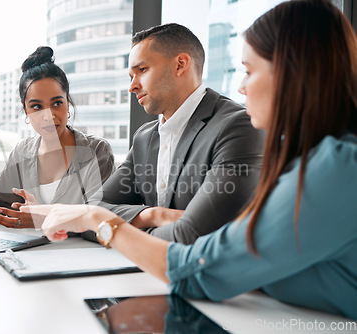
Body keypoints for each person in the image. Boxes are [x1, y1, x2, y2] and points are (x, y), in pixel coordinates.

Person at [28, 0, 357, 319]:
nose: (241, 88)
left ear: (291, 74)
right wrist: (150, 215)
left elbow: (198, 264)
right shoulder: (312, 163)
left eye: (248, 71)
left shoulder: (335, 169)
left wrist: (96, 219)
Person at [89, 23, 265, 245]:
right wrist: (152, 215)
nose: (132, 86)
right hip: (143, 270)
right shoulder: (144, 138)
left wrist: (111, 229)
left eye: (142, 70)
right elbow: (92, 209)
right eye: (130, 76)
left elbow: (193, 235)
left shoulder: (237, 126)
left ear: (180, 65)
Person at [0, 46, 114, 228]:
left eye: (57, 103)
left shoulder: (97, 151)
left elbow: (103, 216)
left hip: (80, 252)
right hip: (29, 249)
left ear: (68, 103)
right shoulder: (23, 151)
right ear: (26, 110)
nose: (48, 115)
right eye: (37, 106)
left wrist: (43, 218)